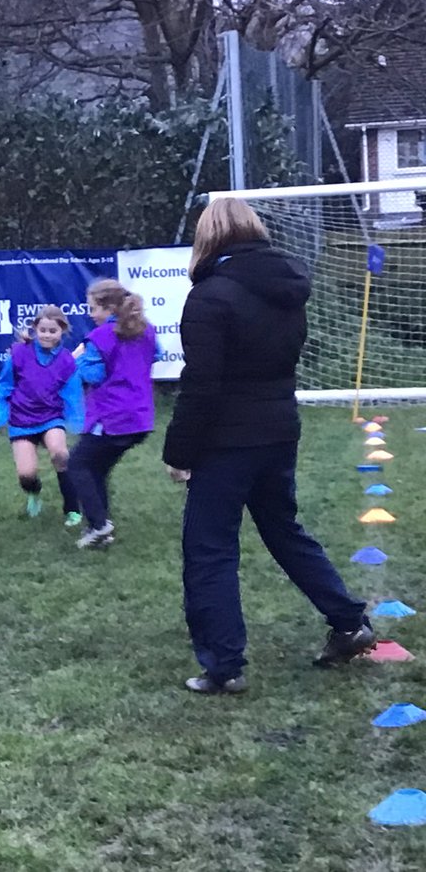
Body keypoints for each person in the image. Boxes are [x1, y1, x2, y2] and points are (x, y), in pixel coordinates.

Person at [163, 197, 374, 695]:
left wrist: (179, 452)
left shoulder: (210, 296)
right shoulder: (288, 290)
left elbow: (202, 384)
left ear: (208, 238)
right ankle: (349, 622)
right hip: (279, 430)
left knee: (209, 549)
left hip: (226, 442)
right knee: (284, 530)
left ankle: (223, 664)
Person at [68, 278, 158, 549]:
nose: (90, 314)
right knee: (96, 469)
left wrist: (77, 360)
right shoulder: (147, 331)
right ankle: (99, 527)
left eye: (93, 308)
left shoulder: (100, 337)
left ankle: (99, 525)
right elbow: (157, 356)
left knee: (78, 465)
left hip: (112, 417)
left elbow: (93, 374)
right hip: (141, 418)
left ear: (108, 308)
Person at [0, 305, 83, 526]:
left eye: (53, 331)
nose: (47, 335)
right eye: (43, 330)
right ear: (35, 329)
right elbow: (3, 384)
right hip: (21, 420)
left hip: (51, 417)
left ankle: (72, 509)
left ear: (62, 332)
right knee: (26, 474)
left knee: (60, 454)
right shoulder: (19, 353)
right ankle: (34, 493)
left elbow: (72, 393)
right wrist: (0, 410)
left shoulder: (66, 360)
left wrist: (77, 420)